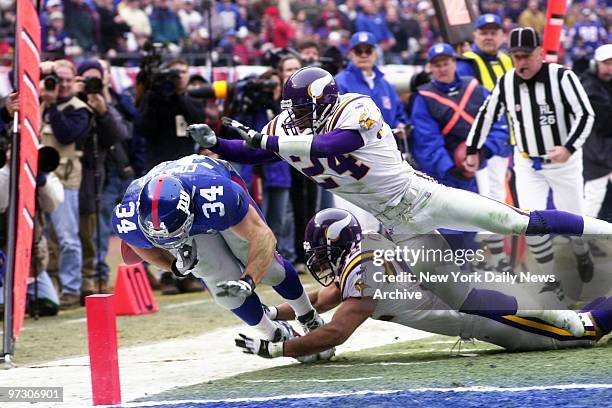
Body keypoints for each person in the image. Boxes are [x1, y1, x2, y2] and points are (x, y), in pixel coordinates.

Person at [190, 65, 612, 329]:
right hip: (397, 224)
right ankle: (564, 321)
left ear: (325, 101)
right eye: (293, 113)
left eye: (302, 111)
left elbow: (336, 145)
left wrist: (272, 140)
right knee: (463, 301)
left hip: (422, 197)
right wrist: (219, 144)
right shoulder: (288, 126)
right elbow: (258, 151)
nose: (295, 120)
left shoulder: (357, 107)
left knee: (519, 222)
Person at [234, 209, 612, 361]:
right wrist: (270, 312)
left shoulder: (365, 272)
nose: (319, 260)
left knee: (584, 331)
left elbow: (334, 332)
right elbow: (321, 297)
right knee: (576, 309)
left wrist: (279, 348)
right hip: (478, 291)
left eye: (321, 251)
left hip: (487, 314)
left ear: (337, 245)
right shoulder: (365, 251)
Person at [112, 154, 326, 351]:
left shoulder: (218, 195)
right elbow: (137, 245)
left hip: (210, 189)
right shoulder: (128, 217)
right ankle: (274, 333)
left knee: (271, 269)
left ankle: (307, 315)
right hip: (183, 208)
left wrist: (249, 280)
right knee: (217, 277)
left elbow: (263, 237)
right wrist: (174, 268)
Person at [465, 27, 596, 288]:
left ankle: (581, 252)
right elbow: (486, 114)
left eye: (526, 56)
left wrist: (569, 147)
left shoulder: (563, 77)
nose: (521, 62)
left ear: (540, 53)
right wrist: (472, 149)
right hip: (527, 162)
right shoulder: (507, 82)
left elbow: (585, 114)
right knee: (531, 220)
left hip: (563, 163)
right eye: (516, 56)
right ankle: (549, 277)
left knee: (573, 217)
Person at [456, 14, 514, 270]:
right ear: (475, 36)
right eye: (484, 32)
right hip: (479, 143)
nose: (489, 36)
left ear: (502, 35)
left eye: (494, 31)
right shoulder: (467, 62)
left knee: (498, 198)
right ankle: (483, 256)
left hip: (503, 141)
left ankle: (496, 253)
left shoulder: (506, 60)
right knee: (484, 200)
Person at [39, 59, 93, 308]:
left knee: (67, 237)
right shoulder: (36, 101)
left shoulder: (79, 109)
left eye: (68, 80)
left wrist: (51, 106)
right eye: (57, 79)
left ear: (75, 82)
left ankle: (71, 288)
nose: (62, 85)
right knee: (40, 238)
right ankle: (44, 288)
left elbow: (66, 134)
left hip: (64, 179)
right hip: (34, 177)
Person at [75, 59, 130, 298]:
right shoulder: (73, 104)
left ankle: (98, 277)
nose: (92, 84)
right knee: (82, 233)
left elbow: (120, 134)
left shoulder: (109, 102)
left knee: (100, 230)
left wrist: (104, 110)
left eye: (95, 78)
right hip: (81, 175)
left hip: (106, 174)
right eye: (86, 79)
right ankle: (84, 278)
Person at [135, 57, 206, 172]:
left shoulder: (193, 100)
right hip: (157, 166)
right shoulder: (153, 99)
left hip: (185, 165)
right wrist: (154, 97)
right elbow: (143, 129)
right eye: (176, 73)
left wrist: (177, 96)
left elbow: (198, 121)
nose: (180, 76)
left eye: (184, 72)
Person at [335, 31, 407, 130]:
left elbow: (399, 115)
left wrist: (401, 125)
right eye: (358, 51)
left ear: (375, 53)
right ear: (351, 54)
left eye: (368, 51)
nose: (364, 55)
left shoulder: (386, 85)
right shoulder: (340, 83)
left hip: (387, 143)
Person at [581, 44, 612, 226]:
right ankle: (581, 243)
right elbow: (604, 122)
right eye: (606, 63)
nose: (610, 68)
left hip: (607, 152)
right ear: (595, 64)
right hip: (596, 155)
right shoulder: (588, 86)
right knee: (592, 202)